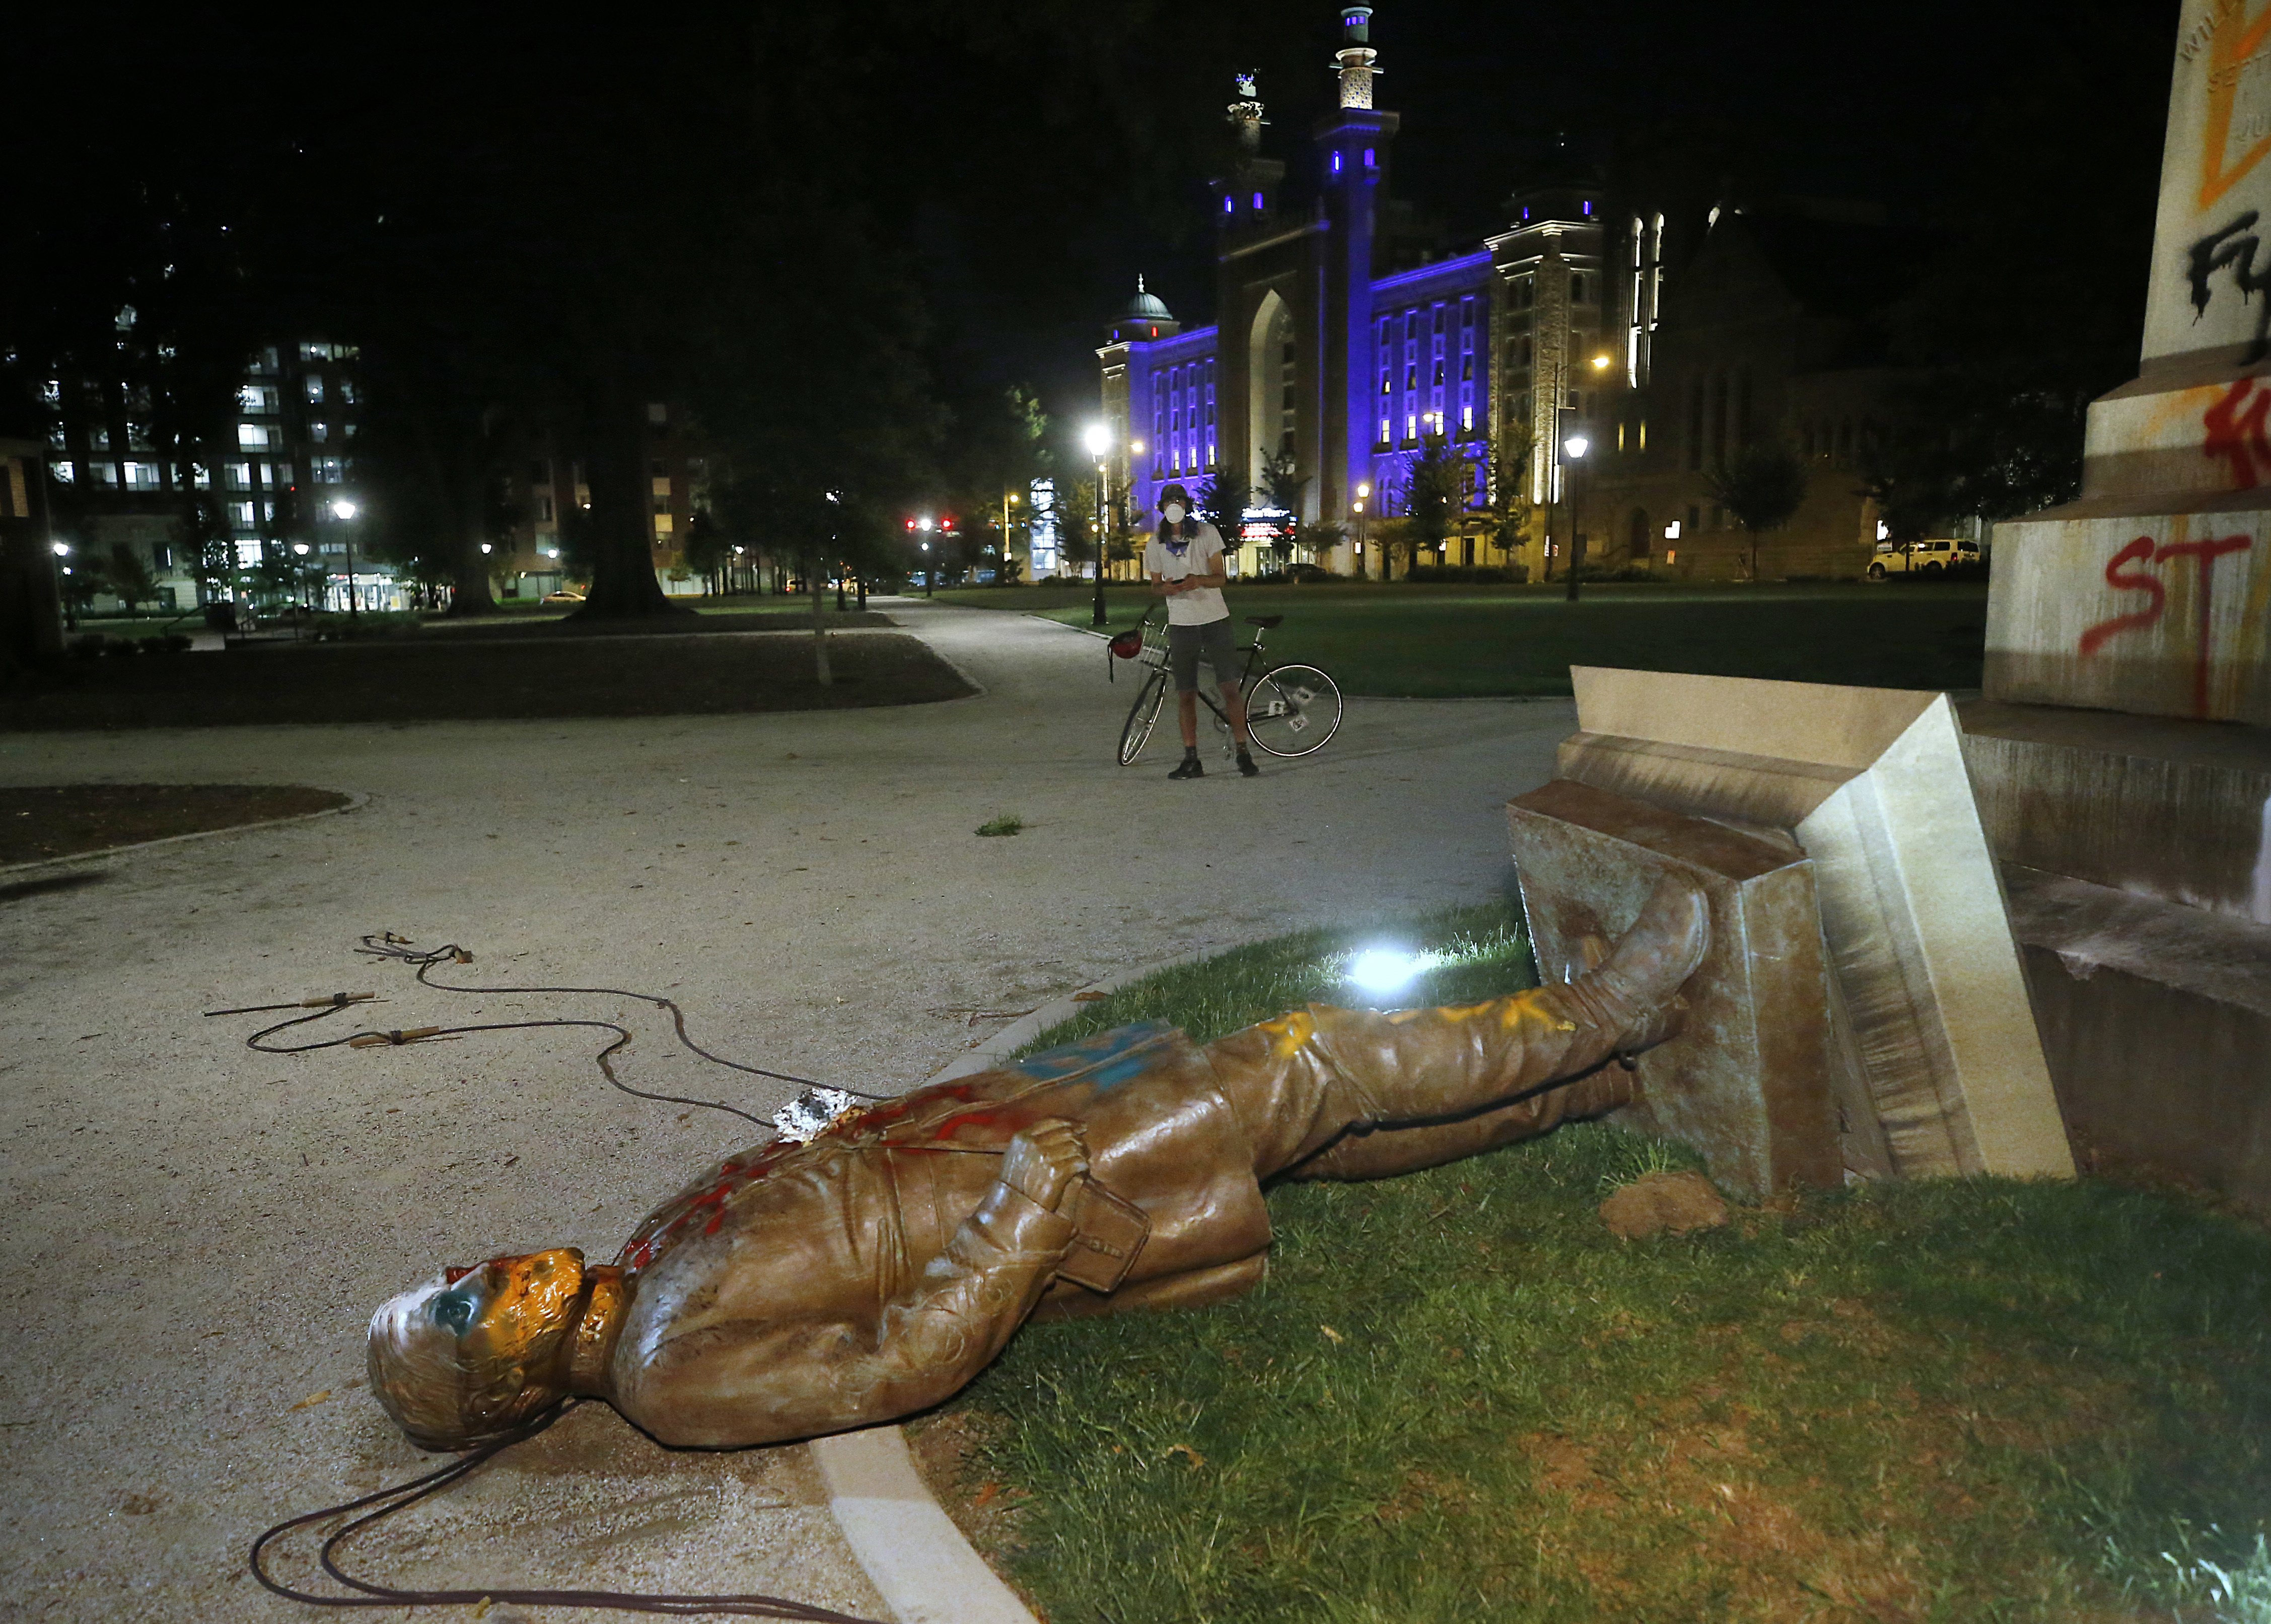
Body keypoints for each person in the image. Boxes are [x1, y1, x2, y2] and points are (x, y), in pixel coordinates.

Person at [368, 880, 1710, 1452]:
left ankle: (1587, 1089)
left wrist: (844, 1124)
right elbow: (897, 1362)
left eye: (444, 1275)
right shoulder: (669, 1375)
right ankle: (1610, 1015)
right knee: (1307, 1069)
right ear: (501, 1385)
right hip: (1040, 1192)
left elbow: (814, 1188)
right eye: (454, 1307)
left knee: (1308, 1136)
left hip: (1000, 1134)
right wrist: (1027, 1207)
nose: (468, 1272)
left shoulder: (642, 1253)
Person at [1142, 482, 1255, 779]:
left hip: (1214, 618)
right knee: (1186, 693)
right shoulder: (1155, 543)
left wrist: (1200, 581)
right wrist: (1164, 588)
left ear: (1187, 505)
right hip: (1181, 623)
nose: (1174, 505)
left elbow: (1221, 578)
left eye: (1180, 500)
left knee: (1229, 687)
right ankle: (1192, 758)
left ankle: (1243, 752)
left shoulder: (1206, 533)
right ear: (1163, 508)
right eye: (1169, 501)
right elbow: (1154, 585)